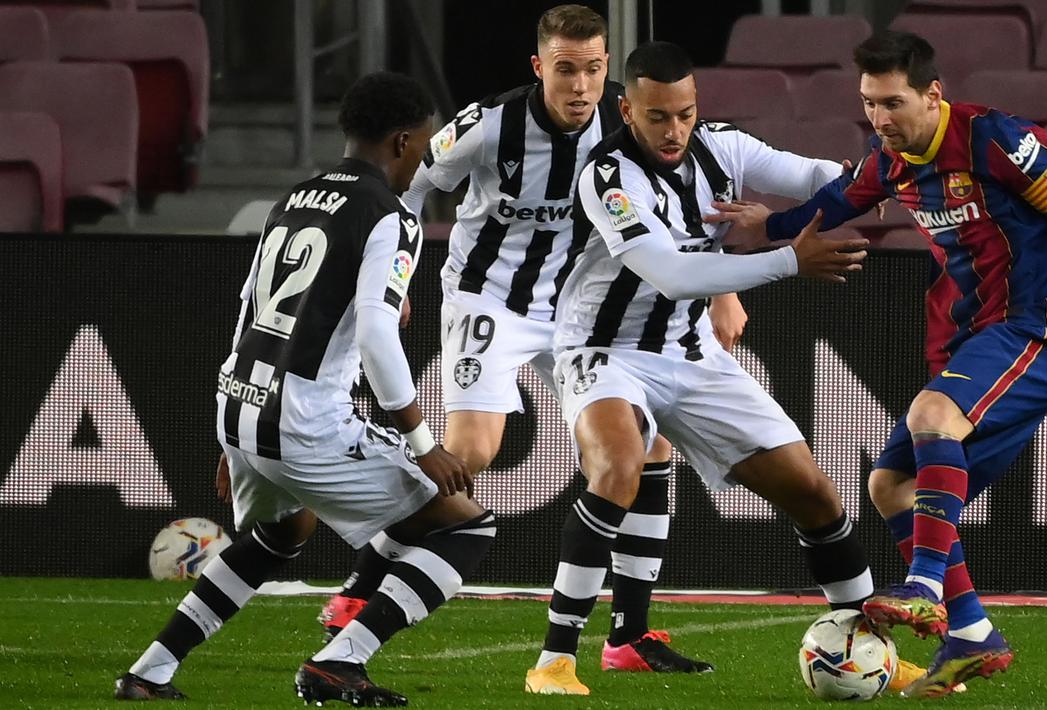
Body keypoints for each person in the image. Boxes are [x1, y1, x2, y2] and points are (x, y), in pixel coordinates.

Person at [706, 31, 1047, 698]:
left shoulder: (994, 140)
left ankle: (923, 587)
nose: (878, 119)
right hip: (972, 341)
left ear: (932, 95)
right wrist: (769, 227)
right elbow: (832, 205)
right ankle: (973, 634)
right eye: (868, 104)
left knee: (931, 415)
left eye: (891, 103)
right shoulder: (889, 160)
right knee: (888, 486)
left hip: (1033, 330)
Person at [316, 4, 744, 675]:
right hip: (491, 301)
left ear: (611, 73)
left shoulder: (628, 128)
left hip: (580, 313)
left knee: (649, 443)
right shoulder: (487, 128)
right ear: (540, 67)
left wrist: (721, 286)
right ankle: (364, 581)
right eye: (566, 69)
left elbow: (686, 209)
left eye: (594, 70)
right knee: (470, 454)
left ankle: (628, 635)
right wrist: (388, 280)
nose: (581, 85)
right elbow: (405, 187)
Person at [115, 72, 496, 707]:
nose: (425, 161)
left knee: (282, 533)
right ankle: (340, 660)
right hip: (304, 421)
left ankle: (148, 672)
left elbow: (251, 308)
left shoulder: (295, 196)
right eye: (424, 147)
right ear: (404, 140)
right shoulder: (389, 215)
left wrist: (237, 437)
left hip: (242, 402)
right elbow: (378, 337)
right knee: (465, 526)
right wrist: (422, 440)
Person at [523, 40, 886, 696]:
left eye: (685, 114)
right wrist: (785, 256)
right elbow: (670, 272)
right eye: (658, 117)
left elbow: (818, 178)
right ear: (626, 110)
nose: (674, 131)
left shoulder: (723, 147)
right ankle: (554, 660)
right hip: (602, 352)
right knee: (617, 465)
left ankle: (868, 644)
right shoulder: (607, 177)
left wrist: (863, 184)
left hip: (690, 355)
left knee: (813, 493)